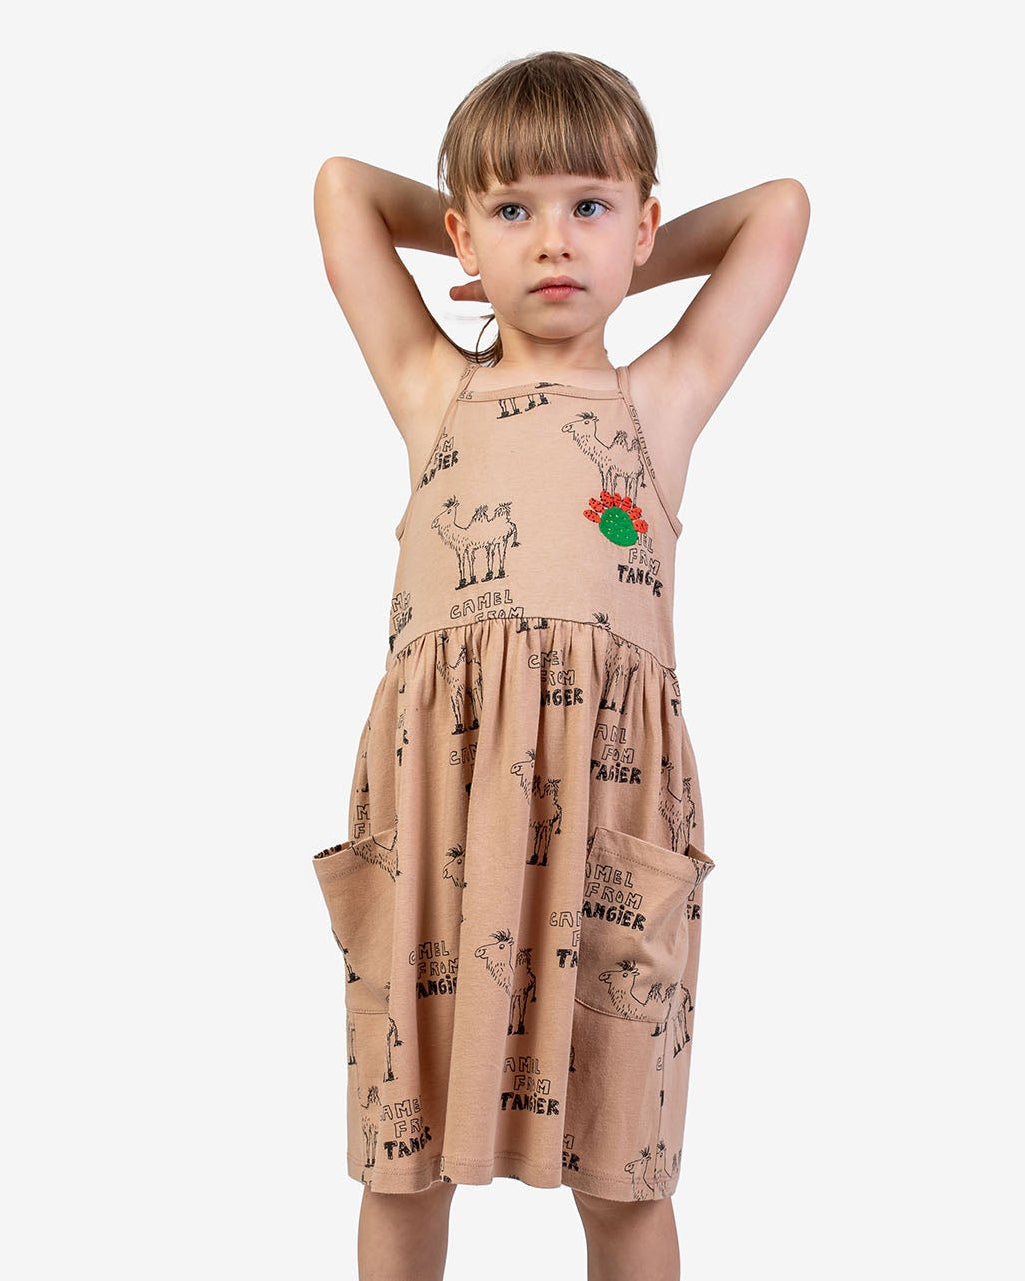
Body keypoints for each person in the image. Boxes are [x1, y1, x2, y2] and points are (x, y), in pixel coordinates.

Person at [310, 50, 809, 1281]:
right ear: (457, 234)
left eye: (588, 207)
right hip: (440, 811)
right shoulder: (433, 389)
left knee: (623, 1164)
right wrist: (504, 237)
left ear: (641, 225)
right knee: (402, 1156)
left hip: (608, 819)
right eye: (511, 211)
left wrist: (612, 248)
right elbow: (340, 189)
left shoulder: (658, 400)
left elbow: (778, 208)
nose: (552, 243)